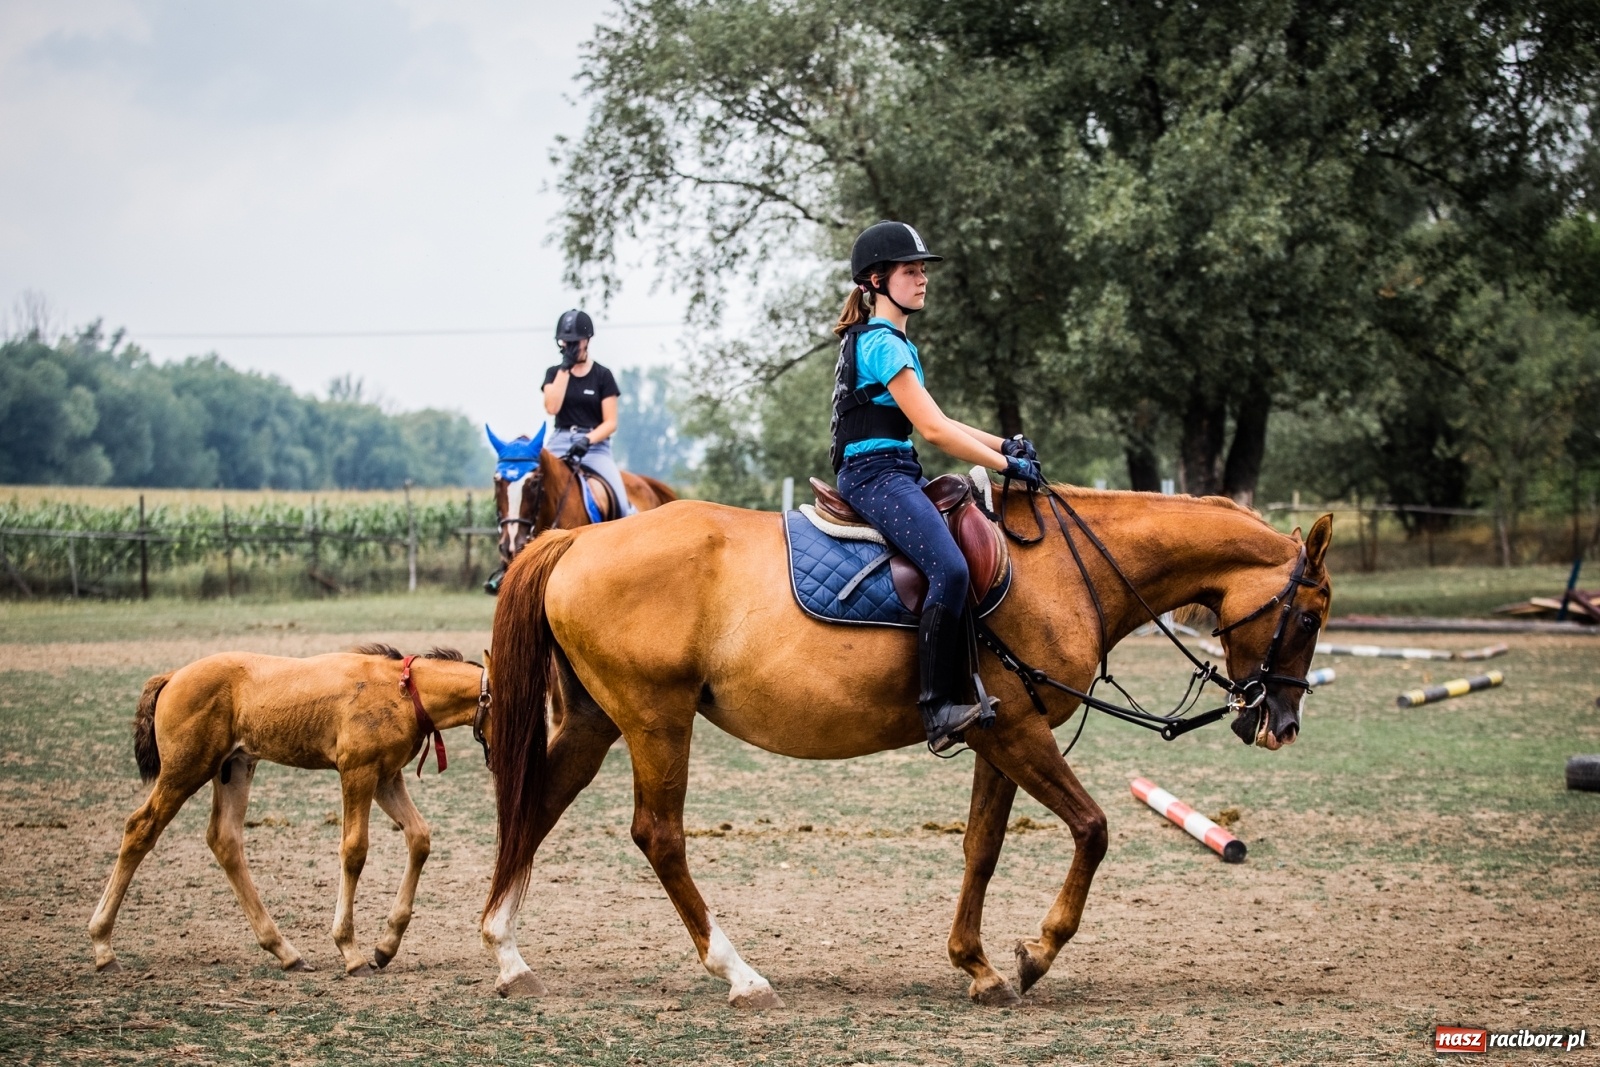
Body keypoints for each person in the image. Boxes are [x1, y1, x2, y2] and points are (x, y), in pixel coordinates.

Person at [830, 221, 1044, 753]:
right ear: (876, 281)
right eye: (911, 270)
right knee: (949, 568)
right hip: (875, 475)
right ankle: (936, 706)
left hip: (896, 470)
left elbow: (938, 418)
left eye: (922, 270)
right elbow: (934, 431)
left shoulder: (889, 341)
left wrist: (1005, 444)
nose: (922, 279)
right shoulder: (882, 344)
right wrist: (1006, 466)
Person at [542, 309, 634, 518]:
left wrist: (587, 440)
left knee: (620, 504)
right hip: (560, 441)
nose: (571, 346)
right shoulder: (553, 373)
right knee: (535, 486)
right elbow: (552, 408)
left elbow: (610, 422)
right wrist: (565, 368)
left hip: (594, 446)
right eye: (566, 342)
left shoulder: (602, 375)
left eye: (575, 342)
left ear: (587, 341)